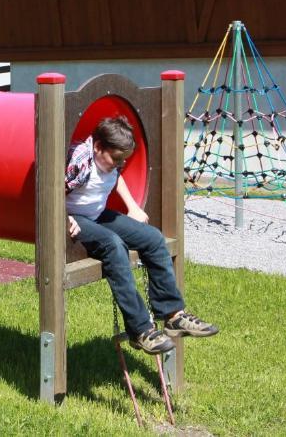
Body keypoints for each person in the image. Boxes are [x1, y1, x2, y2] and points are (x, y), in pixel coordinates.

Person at [66, 115, 219, 354]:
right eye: (115, 159)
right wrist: (63, 218)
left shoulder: (112, 161)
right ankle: (140, 330)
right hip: (76, 217)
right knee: (113, 246)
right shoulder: (80, 161)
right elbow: (50, 190)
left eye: (122, 160)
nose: (118, 164)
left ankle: (172, 314)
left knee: (153, 238)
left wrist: (132, 206)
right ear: (97, 147)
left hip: (98, 213)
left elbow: (116, 179)